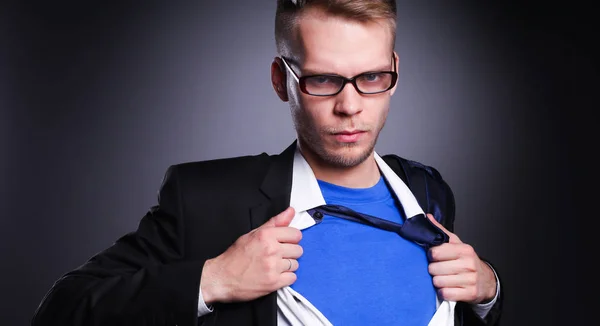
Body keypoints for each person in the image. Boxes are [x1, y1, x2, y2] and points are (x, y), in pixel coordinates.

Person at [31, 1, 503, 325]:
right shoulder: (206, 200)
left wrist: (488, 290)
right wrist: (212, 279)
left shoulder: (426, 189)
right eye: (323, 80)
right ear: (283, 80)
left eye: (372, 77)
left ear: (394, 72)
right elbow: (61, 311)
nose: (351, 105)